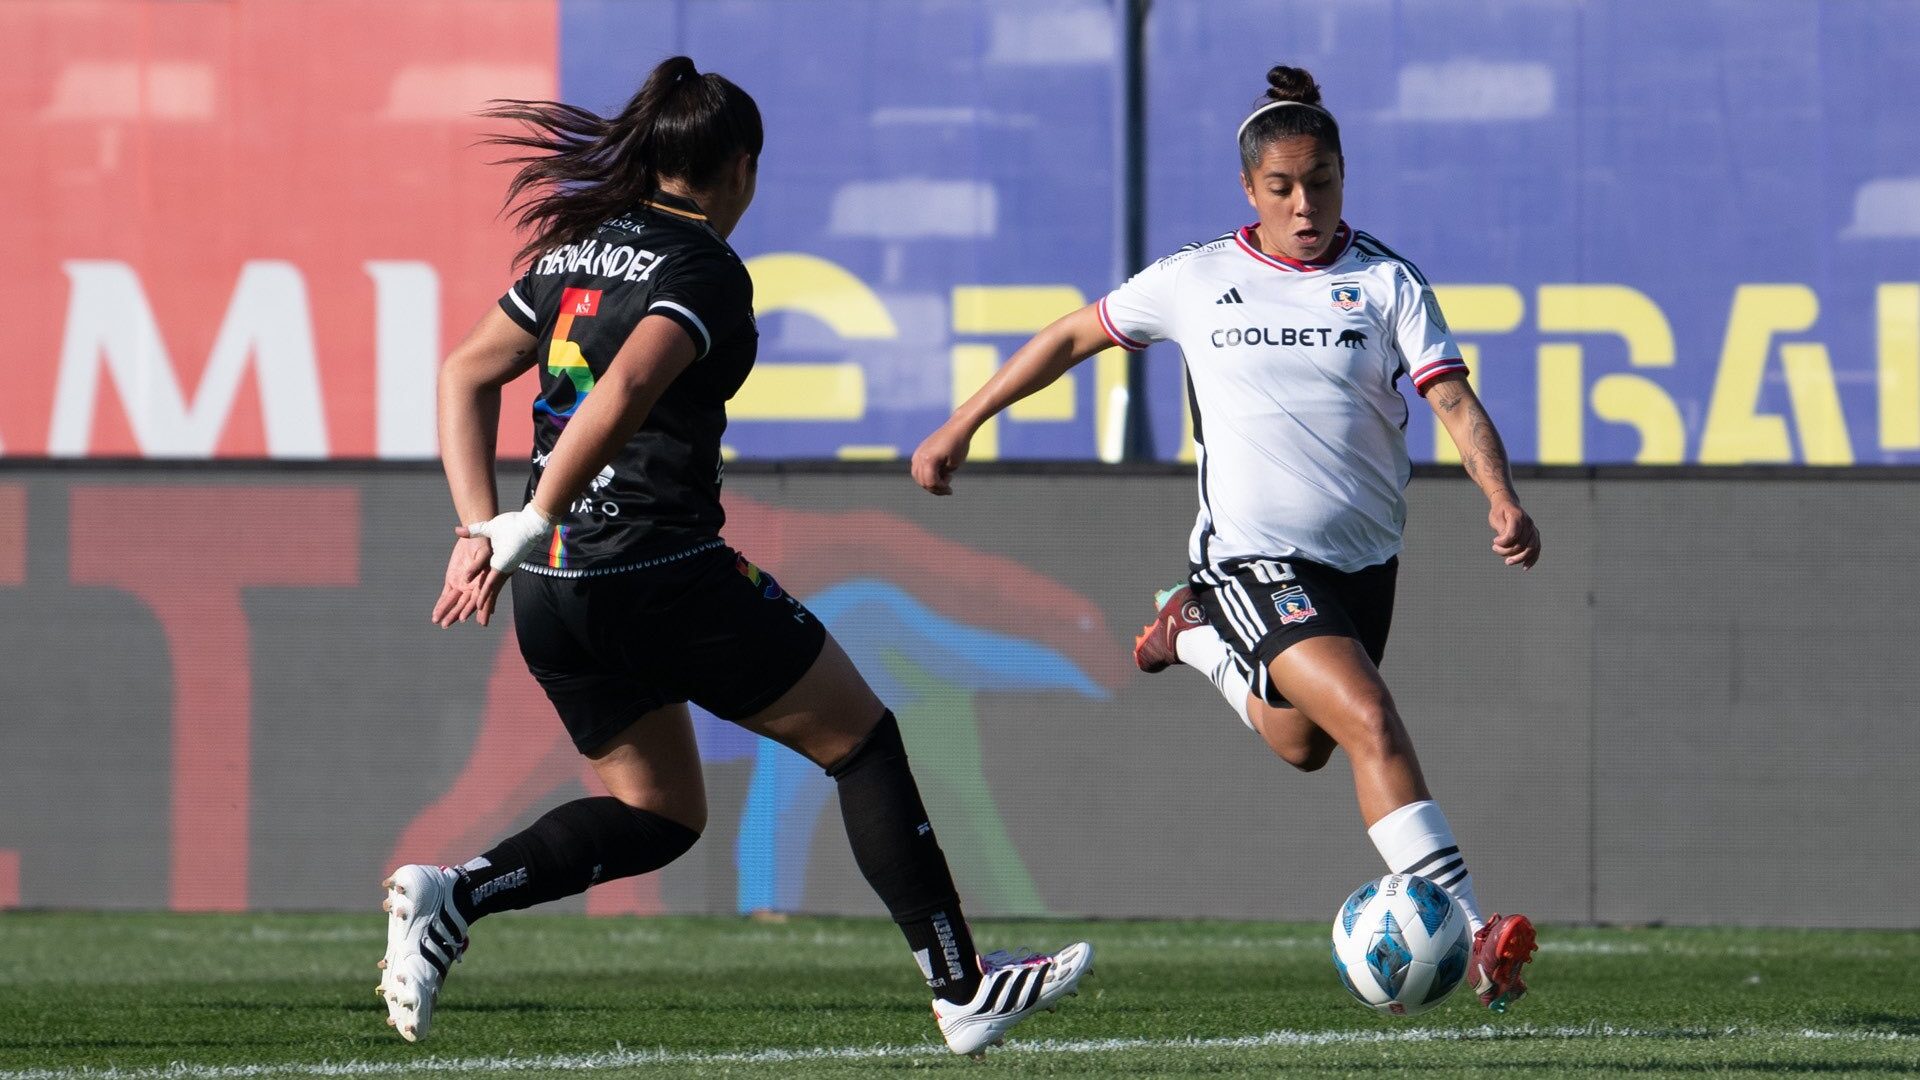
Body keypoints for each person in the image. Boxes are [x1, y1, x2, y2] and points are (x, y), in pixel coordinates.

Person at [378, 56, 1090, 1054]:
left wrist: (483, 528)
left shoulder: (581, 247)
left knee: (661, 812)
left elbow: (463, 374)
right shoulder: (703, 266)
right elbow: (624, 392)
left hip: (555, 592)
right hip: (657, 572)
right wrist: (530, 512)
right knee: (862, 741)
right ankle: (962, 989)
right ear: (742, 167)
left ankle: (457, 896)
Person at [913, 64, 1539, 1011]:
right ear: (1250, 189)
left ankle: (1196, 636)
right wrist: (961, 423)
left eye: (1320, 182)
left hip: (1365, 564)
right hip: (1254, 559)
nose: (1304, 205)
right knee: (1368, 717)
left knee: (1306, 744)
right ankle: (1475, 927)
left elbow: (1449, 394)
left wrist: (1501, 495)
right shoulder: (1199, 279)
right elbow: (1070, 338)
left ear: (1343, 178)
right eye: (1282, 187)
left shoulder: (1384, 281)